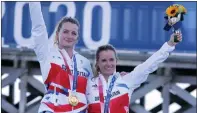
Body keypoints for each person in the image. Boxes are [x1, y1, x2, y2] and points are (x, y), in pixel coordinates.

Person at [86, 33, 182, 113]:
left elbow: (149, 65)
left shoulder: (126, 80)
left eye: (111, 60)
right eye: (104, 60)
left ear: (116, 61)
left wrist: (169, 44)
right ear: (97, 63)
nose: (108, 64)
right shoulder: (88, 85)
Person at [29, 2, 93, 113]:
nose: (69, 36)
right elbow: (38, 28)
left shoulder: (85, 63)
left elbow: (92, 94)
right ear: (58, 33)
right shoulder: (47, 54)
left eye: (73, 33)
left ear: (77, 38)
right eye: (65, 32)